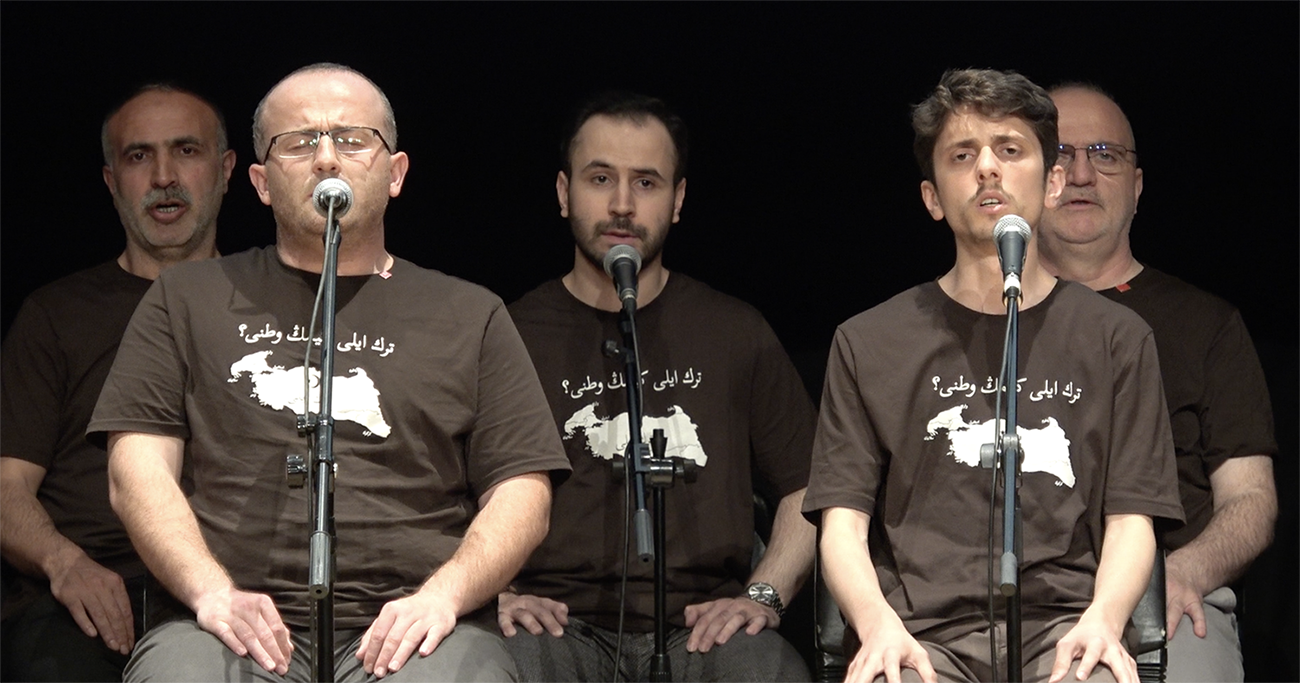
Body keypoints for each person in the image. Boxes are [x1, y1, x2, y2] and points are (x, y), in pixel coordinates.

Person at [87, 63, 571, 683]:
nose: (325, 158)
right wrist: (211, 592)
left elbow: (523, 491)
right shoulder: (185, 298)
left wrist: (443, 597)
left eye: (351, 139)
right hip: (224, 626)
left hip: (415, 629)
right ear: (261, 182)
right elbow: (136, 471)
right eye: (297, 143)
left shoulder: (471, 313)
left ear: (395, 173)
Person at [804, 68, 1185, 683]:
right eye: (962, 155)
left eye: (1009, 150)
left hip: (1066, 628)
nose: (987, 168)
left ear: (1052, 181)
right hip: (921, 637)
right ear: (932, 197)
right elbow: (842, 523)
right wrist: (876, 626)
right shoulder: (867, 341)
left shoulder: (1118, 338)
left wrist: (1105, 619)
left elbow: (1132, 517)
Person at [502, 91, 817, 682]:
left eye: (646, 183)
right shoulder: (509, 334)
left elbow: (808, 486)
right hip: (554, 622)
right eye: (600, 178)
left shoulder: (734, 330)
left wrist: (764, 594)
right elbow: (446, 494)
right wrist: (493, 594)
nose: (622, 204)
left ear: (678, 200)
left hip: (702, 627)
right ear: (564, 192)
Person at [1037, 84, 1277, 683]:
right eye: (1059, 154)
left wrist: (1188, 571)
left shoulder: (1205, 323)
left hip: (1164, 597)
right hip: (1021, 600)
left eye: (1105, 154)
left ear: (1137, 186)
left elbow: (1251, 498)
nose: (1082, 174)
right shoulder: (984, 318)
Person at [0, 83, 234, 682]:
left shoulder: (275, 306)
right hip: (91, 588)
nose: (163, 176)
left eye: (186, 150)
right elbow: (6, 487)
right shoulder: (56, 314)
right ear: (111, 181)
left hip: (241, 589)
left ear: (228, 169)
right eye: (138, 156)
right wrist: (63, 562)